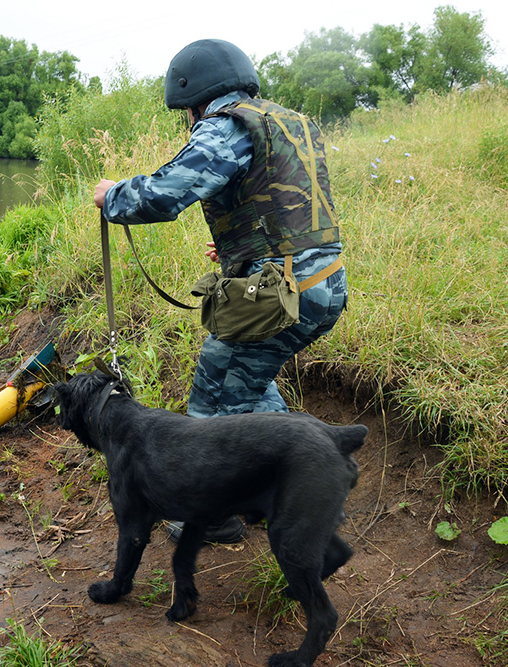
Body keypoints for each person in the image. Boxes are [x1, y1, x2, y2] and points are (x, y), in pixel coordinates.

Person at [93, 39, 348, 544]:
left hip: (281, 295)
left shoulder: (226, 124)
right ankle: (304, 482)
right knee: (250, 390)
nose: (188, 121)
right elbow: (284, 202)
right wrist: (244, 247)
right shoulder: (288, 121)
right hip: (323, 282)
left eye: (186, 113)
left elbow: (167, 194)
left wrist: (113, 196)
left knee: (211, 404)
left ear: (195, 101)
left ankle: (210, 517)